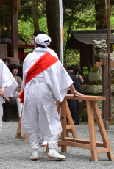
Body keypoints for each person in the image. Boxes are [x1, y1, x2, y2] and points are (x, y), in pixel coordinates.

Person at [20, 33, 82, 161]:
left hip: (30, 90)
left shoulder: (29, 57)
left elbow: (25, 77)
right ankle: (52, 149)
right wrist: (73, 89)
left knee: (31, 118)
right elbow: (63, 75)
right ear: (48, 43)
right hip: (44, 90)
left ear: (35, 43)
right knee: (52, 118)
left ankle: (34, 151)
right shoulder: (52, 56)